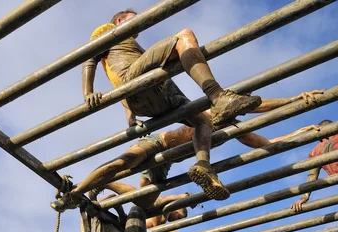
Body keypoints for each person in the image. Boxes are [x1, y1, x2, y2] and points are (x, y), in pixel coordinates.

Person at [52, 52, 323, 209]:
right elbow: (260, 105)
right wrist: (295, 99)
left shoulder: (234, 128)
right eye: (242, 103)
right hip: (159, 142)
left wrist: (302, 130)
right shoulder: (217, 109)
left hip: (168, 162)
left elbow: (269, 143)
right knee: (124, 162)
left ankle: (103, 185)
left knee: (145, 203)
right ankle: (73, 194)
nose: (244, 108)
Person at [292, 119, 338, 212]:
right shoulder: (316, 152)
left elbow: (312, 176)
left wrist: (304, 197)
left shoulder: (315, 151)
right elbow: (312, 175)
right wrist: (304, 197)